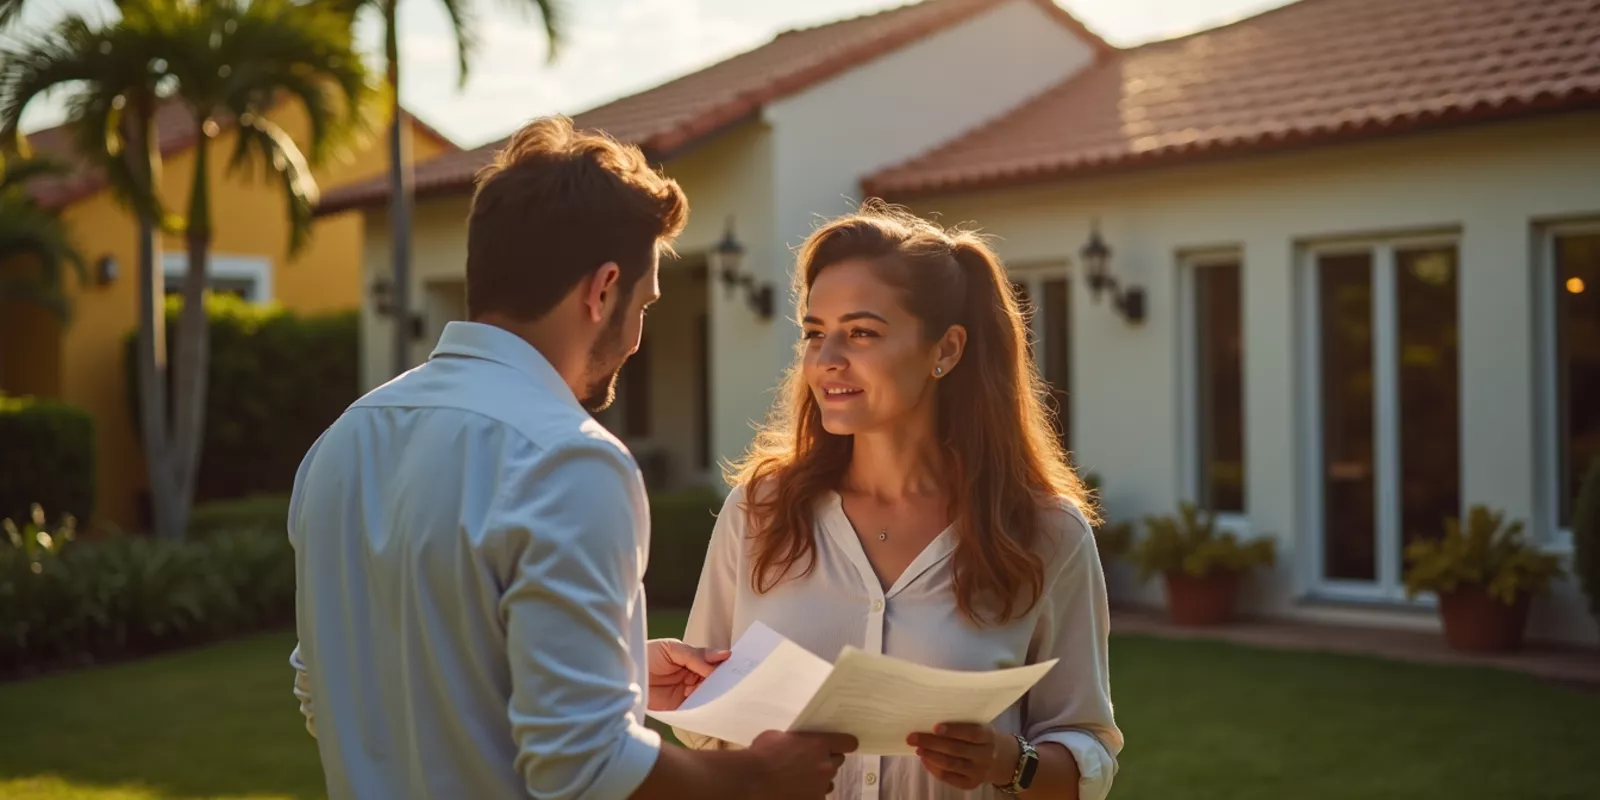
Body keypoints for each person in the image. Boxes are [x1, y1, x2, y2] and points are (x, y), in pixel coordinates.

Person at [287, 116, 855, 800]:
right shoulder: (569, 461)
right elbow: (585, 768)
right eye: (644, 303)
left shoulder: (342, 442)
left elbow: (331, 688)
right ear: (602, 289)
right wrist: (756, 777)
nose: (637, 336)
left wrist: (613, 670)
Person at [677, 203, 1122, 799]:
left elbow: (1087, 749)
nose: (826, 359)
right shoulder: (758, 512)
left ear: (946, 350)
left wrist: (1006, 761)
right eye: (814, 333)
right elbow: (702, 725)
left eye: (862, 332)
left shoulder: (1047, 533)